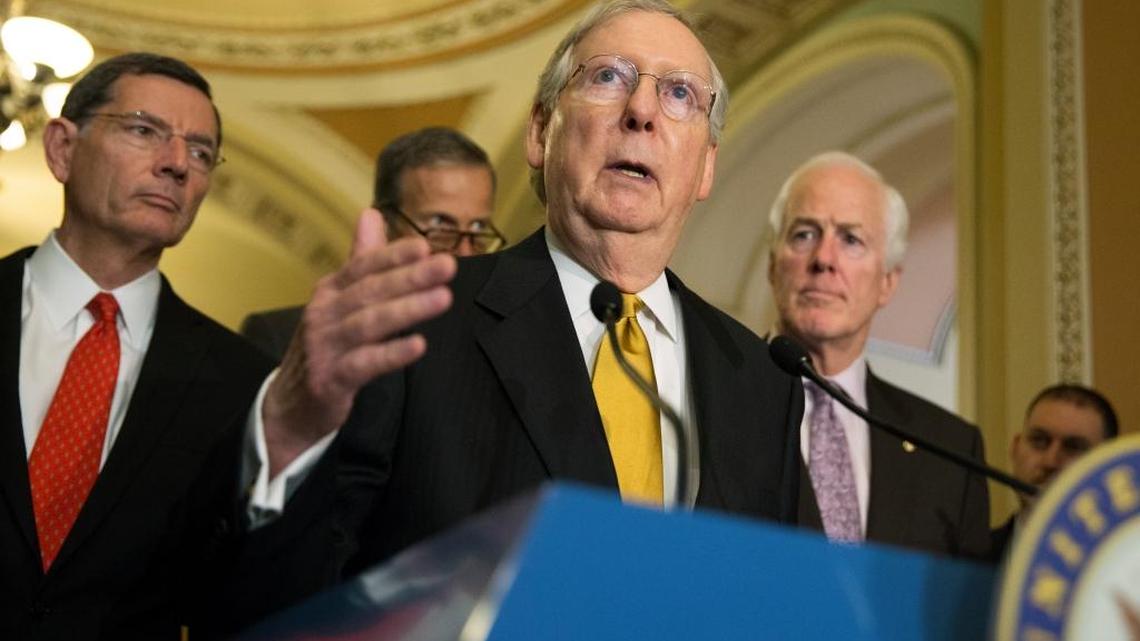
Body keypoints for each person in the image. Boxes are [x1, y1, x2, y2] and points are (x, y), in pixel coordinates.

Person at [243, 0, 804, 606]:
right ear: (540, 132)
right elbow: (290, 595)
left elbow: (786, 605)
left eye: (679, 94)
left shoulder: (762, 379)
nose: (641, 111)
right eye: (609, 76)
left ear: (705, 169)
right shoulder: (419, 318)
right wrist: (289, 434)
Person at [0, 53, 272, 638]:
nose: (177, 164)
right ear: (62, 149)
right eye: (144, 130)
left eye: (201, 152)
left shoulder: (244, 381)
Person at [767, 151, 990, 559]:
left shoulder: (952, 449)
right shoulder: (714, 397)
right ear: (771, 265)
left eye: (851, 239)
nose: (823, 260)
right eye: (804, 234)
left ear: (888, 282)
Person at [239, 127, 504, 360]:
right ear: (384, 225)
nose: (466, 252)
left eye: (479, 228)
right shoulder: (283, 340)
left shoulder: (506, 350)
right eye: (440, 225)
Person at [990, 383, 1118, 560]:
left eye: (1073, 447)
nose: (1051, 461)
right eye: (1039, 441)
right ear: (1015, 448)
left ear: (1107, 464)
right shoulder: (964, 561)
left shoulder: (1127, 565)